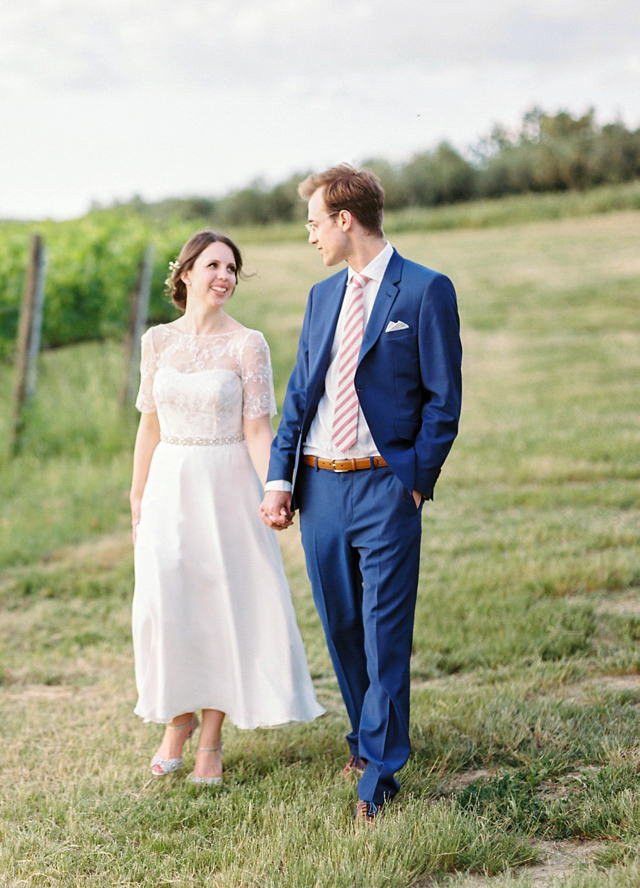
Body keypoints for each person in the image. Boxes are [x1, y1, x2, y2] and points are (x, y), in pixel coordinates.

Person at [259, 164, 462, 822]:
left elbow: (443, 401)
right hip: (319, 486)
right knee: (344, 628)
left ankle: (378, 772)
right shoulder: (322, 297)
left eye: (315, 222)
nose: (310, 235)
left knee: (383, 633)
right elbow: (299, 395)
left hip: (385, 487)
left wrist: (416, 482)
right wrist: (281, 478)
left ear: (345, 220)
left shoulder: (425, 290)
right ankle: (364, 734)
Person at [130, 230, 324, 786]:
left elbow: (259, 428)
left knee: (220, 603)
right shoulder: (157, 341)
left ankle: (209, 738)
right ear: (186, 273)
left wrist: (275, 487)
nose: (225, 277)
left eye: (233, 268)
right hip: (169, 484)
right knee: (168, 601)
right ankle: (178, 716)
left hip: (227, 483)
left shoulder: (248, 344)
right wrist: (137, 495)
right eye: (213, 265)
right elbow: (149, 424)